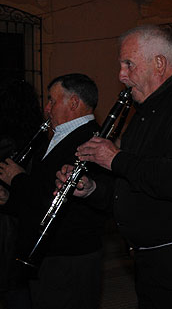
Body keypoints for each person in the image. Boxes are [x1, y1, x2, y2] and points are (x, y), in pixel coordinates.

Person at [56, 25, 172, 309]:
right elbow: (131, 185)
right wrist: (91, 190)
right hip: (150, 263)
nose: (121, 76)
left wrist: (115, 158)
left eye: (129, 64)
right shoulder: (143, 115)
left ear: (160, 63)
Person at [0, 74, 107, 309]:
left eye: (52, 100)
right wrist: (8, 199)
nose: (46, 108)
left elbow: (55, 196)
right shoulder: (56, 137)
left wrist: (16, 178)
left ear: (74, 102)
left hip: (69, 258)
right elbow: (35, 197)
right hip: (47, 256)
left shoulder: (92, 140)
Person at [0, 78, 44, 309]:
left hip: (9, 226)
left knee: (14, 291)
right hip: (23, 224)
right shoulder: (37, 137)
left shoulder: (8, 143)